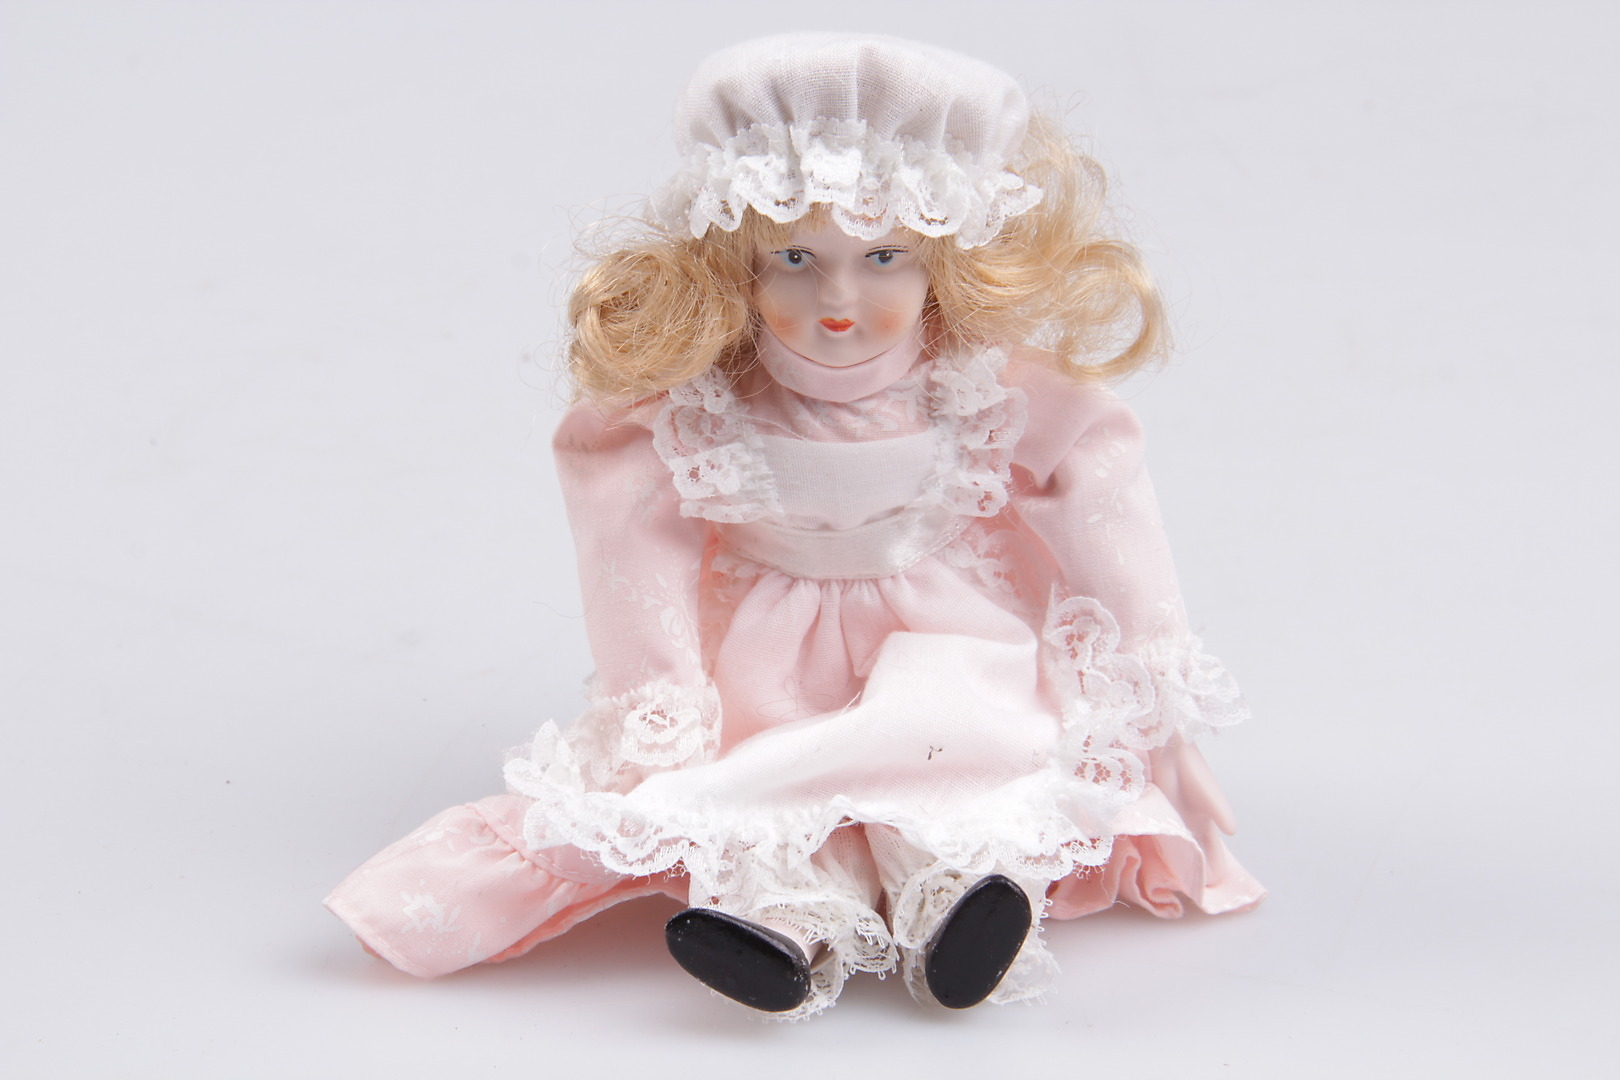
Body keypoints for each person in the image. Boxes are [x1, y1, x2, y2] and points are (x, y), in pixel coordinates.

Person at [326, 33, 1264, 1019]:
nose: (839, 299)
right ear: (738, 259)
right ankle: (786, 926)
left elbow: (1102, 497)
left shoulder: (982, 387)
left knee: (959, 764)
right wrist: (658, 700)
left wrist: (1155, 707)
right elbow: (632, 547)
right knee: (766, 787)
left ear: (947, 258)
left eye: (885, 257)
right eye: (796, 258)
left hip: (943, 644)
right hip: (772, 662)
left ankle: (955, 903)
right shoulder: (700, 405)